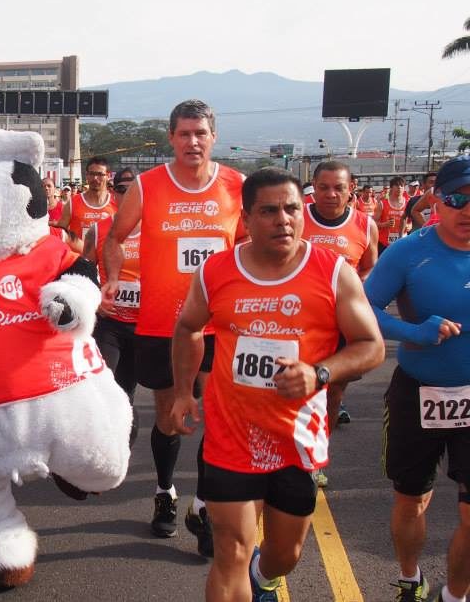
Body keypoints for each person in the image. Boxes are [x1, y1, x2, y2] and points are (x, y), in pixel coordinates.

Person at [171, 167, 384, 602]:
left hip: (296, 440)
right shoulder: (216, 272)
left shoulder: (332, 272)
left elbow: (371, 345)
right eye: (268, 211)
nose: (283, 219)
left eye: (291, 209)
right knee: (229, 551)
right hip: (231, 438)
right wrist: (181, 392)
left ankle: (264, 575)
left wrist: (318, 373)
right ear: (246, 219)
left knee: (285, 555)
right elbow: (188, 327)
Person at [103, 99, 247, 557]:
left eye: (200, 133)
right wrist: (110, 278)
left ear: (213, 136)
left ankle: (203, 508)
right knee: (170, 418)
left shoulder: (236, 185)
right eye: (183, 133)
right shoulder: (147, 186)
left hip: (217, 325)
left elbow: (249, 244)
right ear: (171, 138)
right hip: (161, 324)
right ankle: (165, 492)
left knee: (214, 420)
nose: (192, 141)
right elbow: (113, 238)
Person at [365, 155, 470, 602]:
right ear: (435, 203)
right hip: (417, 393)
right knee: (411, 500)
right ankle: (410, 578)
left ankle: (456, 594)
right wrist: (413, 332)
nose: (468, 209)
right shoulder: (410, 252)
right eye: (457, 198)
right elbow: (362, 308)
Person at [302, 161, 379, 432]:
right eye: (323, 187)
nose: (330, 194)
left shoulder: (365, 225)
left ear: (351, 189)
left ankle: (319, 458)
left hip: (342, 321)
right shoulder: (297, 217)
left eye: (338, 188)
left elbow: (370, 266)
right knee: (294, 391)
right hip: (299, 318)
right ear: (314, 188)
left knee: (333, 392)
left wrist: (355, 283)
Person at [86, 167, 140, 445]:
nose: (127, 194)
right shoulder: (98, 230)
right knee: (103, 387)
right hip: (110, 324)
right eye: (121, 189)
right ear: (113, 192)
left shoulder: (158, 230)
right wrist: (95, 301)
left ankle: (121, 448)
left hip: (143, 326)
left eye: (134, 189)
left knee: (126, 392)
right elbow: (81, 273)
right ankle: (100, 447)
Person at [57, 156, 117, 250]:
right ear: (86, 175)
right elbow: (59, 233)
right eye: (92, 174)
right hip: (80, 261)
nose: (95, 178)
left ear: (108, 176)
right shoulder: (73, 203)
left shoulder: (116, 203)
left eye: (100, 174)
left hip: (105, 260)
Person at [375, 176, 409, 254]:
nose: (399, 188)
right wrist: (384, 224)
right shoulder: (382, 204)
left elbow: (411, 222)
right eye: (397, 185)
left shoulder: (408, 203)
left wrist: (409, 226)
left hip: (402, 241)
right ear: (391, 188)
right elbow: (373, 222)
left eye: (402, 186)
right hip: (384, 243)